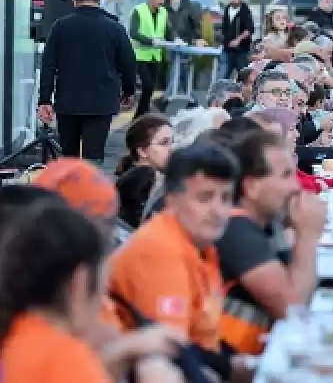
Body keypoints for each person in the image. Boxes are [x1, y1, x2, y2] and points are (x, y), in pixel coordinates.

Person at [108, 141, 254, 381]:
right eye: (205, 198)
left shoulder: (198, 242)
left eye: (226, 198)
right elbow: (171, 353)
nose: (218, 211)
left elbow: (201, 343)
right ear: (173, 200)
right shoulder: (161, 249)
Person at [0, 203, 182, 383]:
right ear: (79, 282)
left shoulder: (17, 339)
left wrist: (125, 349)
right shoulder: (63, 358)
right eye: (102, 288)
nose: (102, 303)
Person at [214, 130, 325, 354]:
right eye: (285, 175)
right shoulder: (235, 230)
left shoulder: (266, 221)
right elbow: (293, 310)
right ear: (251, 186)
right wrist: (307, 234)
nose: (295, 187)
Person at [38, 0, 137, 163]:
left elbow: (48, 65)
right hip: (102, 102)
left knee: (69, 156)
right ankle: (90, 190)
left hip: (68, 102)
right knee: (94, 156)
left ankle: (68, 190)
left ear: (74, 1)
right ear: (98, 0)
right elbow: (128, 63)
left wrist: (45, 99)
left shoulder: (61, 27)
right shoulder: (115, 28)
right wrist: (128, 91)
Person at [114, 113, 174, 228]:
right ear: (142, 151)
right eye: (164, 143)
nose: (171, 149)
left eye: (172, 142)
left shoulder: (132, 175)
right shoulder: (144, 176)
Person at [130, 0, 173, 118]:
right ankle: (140, 115)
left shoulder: (164, 12)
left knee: (150, 88)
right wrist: (150, 41)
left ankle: (141, 115)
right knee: (147, 85)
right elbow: (133, 32)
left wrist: (175, 40)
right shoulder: (138, 10)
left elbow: (168, 30)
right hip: (140, 55)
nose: (161, 2)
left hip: (155, 55)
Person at [221, 0, 255, 78]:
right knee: (223, 75)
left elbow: (249, 29)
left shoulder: (245, 11)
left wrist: (238, 40)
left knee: (243, 75)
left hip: (241, 50)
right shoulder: (227, 9)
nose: (233, 0)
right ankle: (220, 91)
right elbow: (224, 28)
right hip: (227, 49)